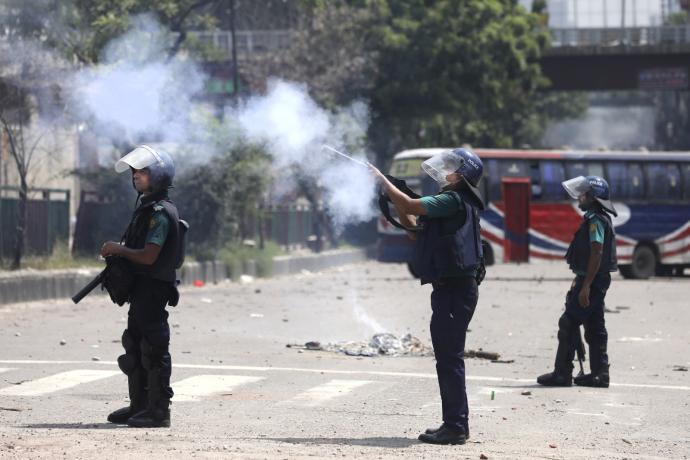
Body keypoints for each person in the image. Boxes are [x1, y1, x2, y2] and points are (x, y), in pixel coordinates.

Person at [370, 148, 485, 446]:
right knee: (447, 358)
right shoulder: (456, 201)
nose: (444, 170)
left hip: (455, 290)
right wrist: (395, 197)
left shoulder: (452, 199)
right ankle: (453, 423)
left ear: (462, 174)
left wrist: (385, 182)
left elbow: (409, 203)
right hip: (453, 289)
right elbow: (411, 228)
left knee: (449, 359)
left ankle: (456, 427)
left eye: (452, 167)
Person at [101, 145, 183, 427]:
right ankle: (139, 406)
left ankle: (159, 411)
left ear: (158, 176)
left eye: (143, 171)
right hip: (141, 289)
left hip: (153, 288)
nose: (136, 175)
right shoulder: (147, 208)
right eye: (135, 171)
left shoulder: (159, 213)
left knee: (153, 349)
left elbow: (149, 256)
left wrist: (118, 249)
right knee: (134, 345)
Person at [537, 175, 618, 388]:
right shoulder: (596, 217)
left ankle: (562, 373)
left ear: (593, 196)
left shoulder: (596, 221)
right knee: (594, 325)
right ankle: (600, 374)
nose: (579, 197)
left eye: (583, 194)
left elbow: (596, 252)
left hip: (594, 281)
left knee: (568, 322)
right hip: (594, 279)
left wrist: (586, 286)